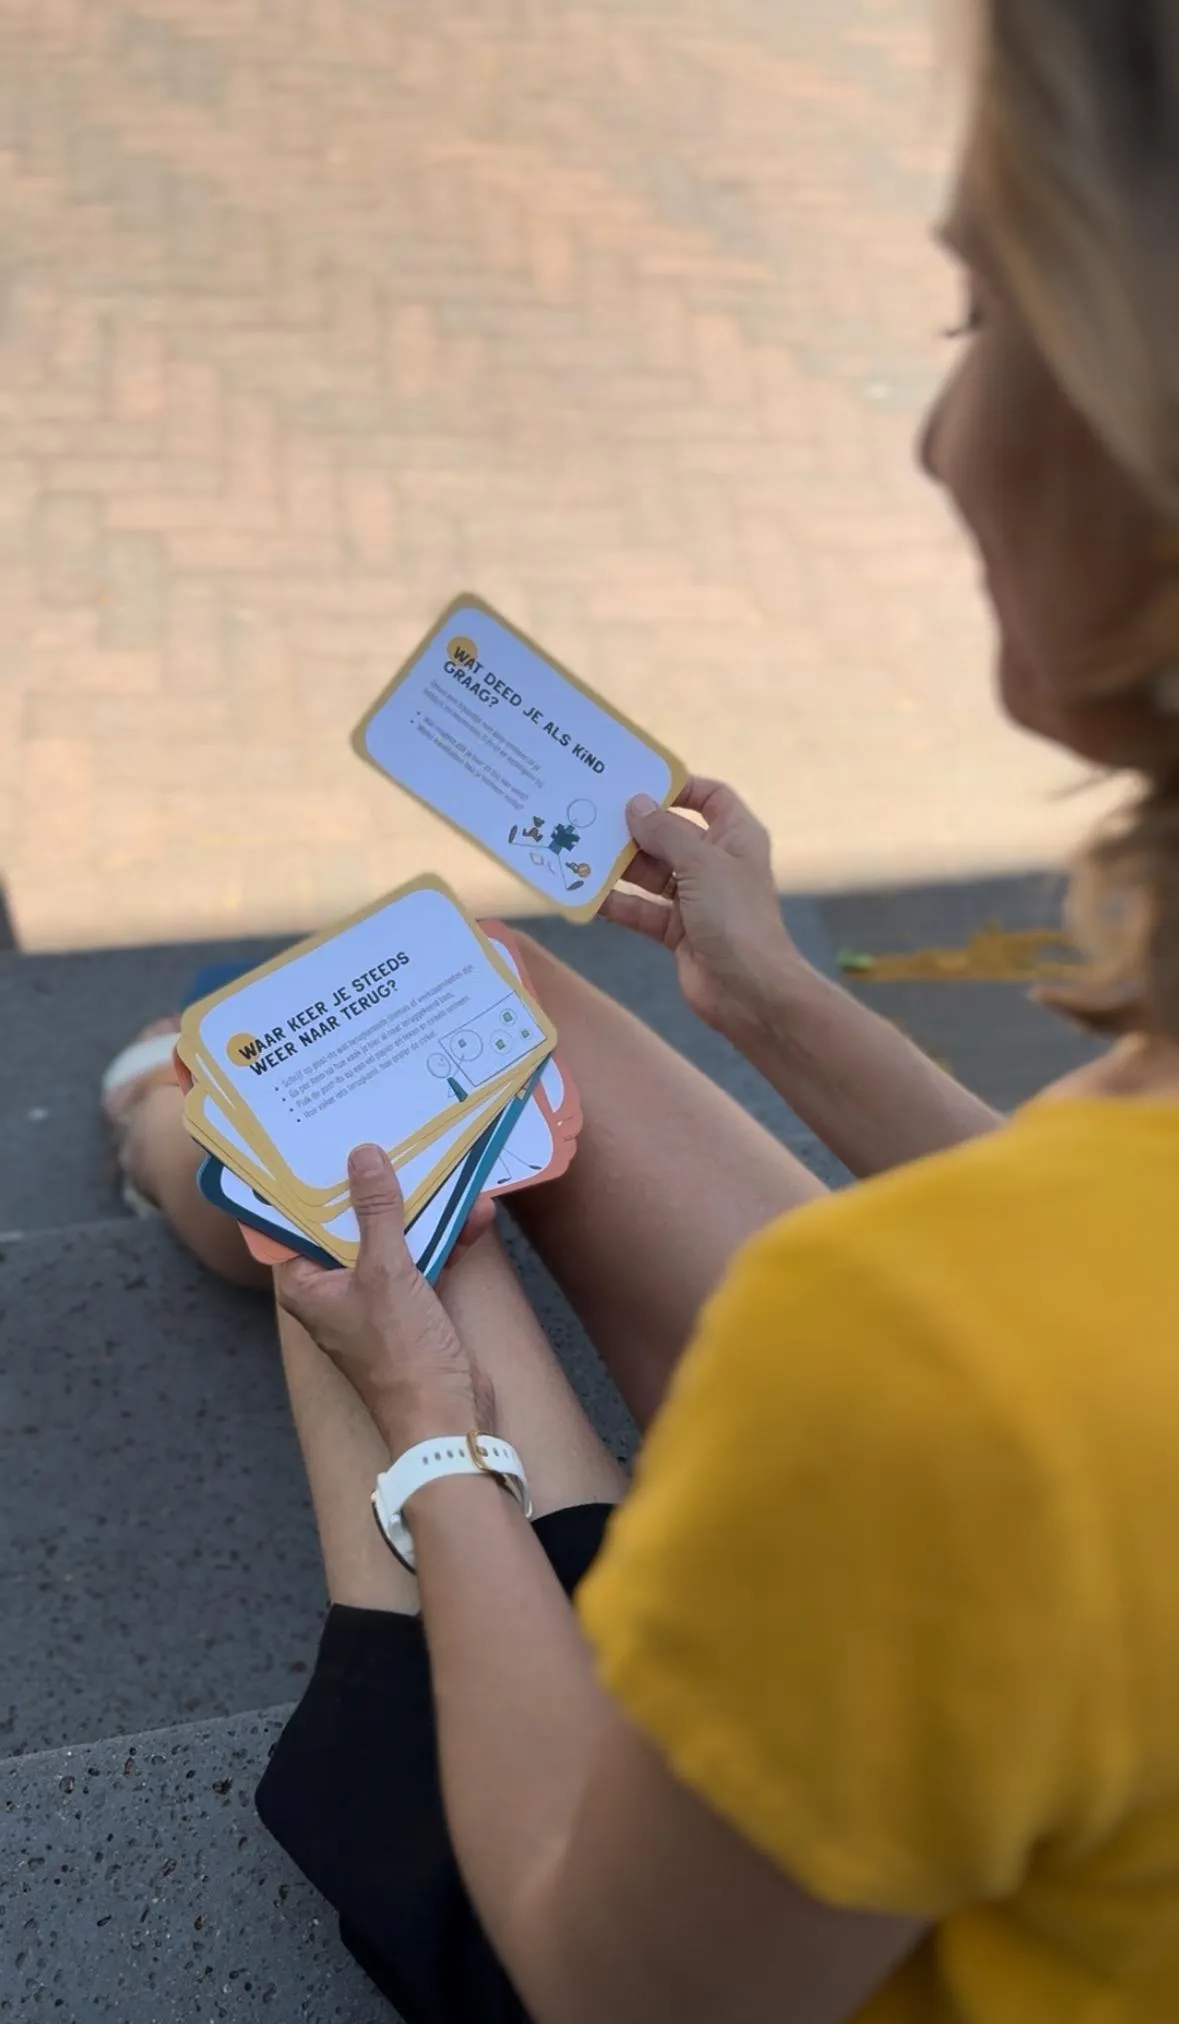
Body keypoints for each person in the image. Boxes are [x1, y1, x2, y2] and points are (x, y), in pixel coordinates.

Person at [102, 5, 1179, 2019]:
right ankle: (195, 1112)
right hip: (1057, 1651)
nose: (938, 434)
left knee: (370, 1183)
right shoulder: (1023, 1301)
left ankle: (169, 1115)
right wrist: (774, 1004)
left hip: (664, 1921)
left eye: (980, 319)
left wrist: (437, 1438)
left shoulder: (904, 1368)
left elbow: (616, 1983)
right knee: (473, 1009)